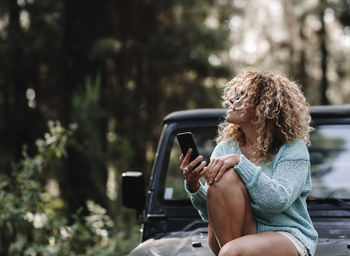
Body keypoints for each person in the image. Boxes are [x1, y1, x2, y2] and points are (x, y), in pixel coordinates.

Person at [179, 68, 318, 256]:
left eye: (241, 96)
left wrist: (240, 162)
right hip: (236, 235)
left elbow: (278, 201)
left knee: (232, 251)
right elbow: (212, 213)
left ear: (261, 108)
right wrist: (194, 186)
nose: (231, 100)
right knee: (223, 177)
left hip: (285, 234)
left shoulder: (292, 149)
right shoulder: (225, 148)